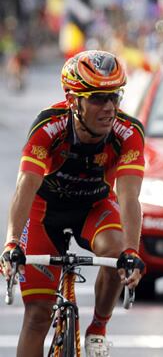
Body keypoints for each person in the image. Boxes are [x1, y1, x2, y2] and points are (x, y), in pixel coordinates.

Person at [0, 50, 147, 357]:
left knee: (117, 248)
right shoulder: (48, 128)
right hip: (44, 213)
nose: (108, 108)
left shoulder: (128, 133)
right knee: (38, 314)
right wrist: (12, 243)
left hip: (94, 208)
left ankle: (98, 328)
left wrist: (132, 252)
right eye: (97, 98)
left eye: (114, 97)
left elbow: (130, 196)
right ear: (72, 101)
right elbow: (25, 186)